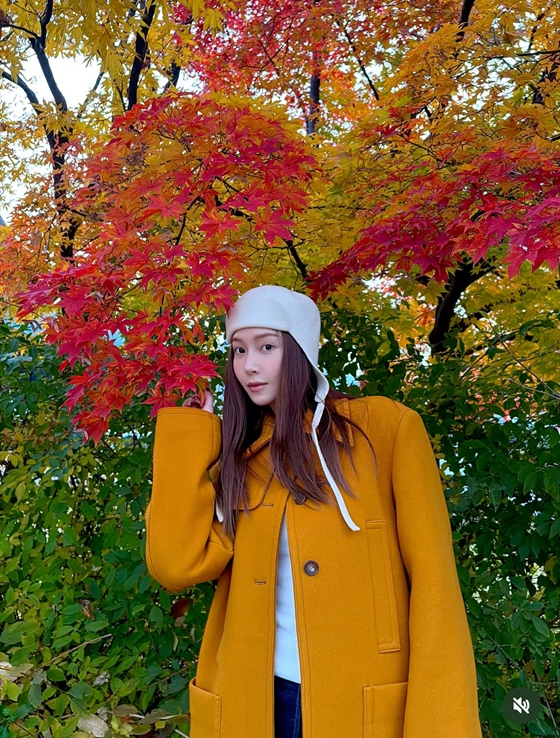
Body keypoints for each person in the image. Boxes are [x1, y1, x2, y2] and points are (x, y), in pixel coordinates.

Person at [145, 285, 483, 738]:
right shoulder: (245, 457)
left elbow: (434, 585)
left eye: (267, 347)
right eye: (239, 350)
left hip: (361, 702)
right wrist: (191, 435)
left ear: (300, 348)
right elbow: (175, 565)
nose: (249, 365)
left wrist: (442, 724)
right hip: (257, 701)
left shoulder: (384, 430)